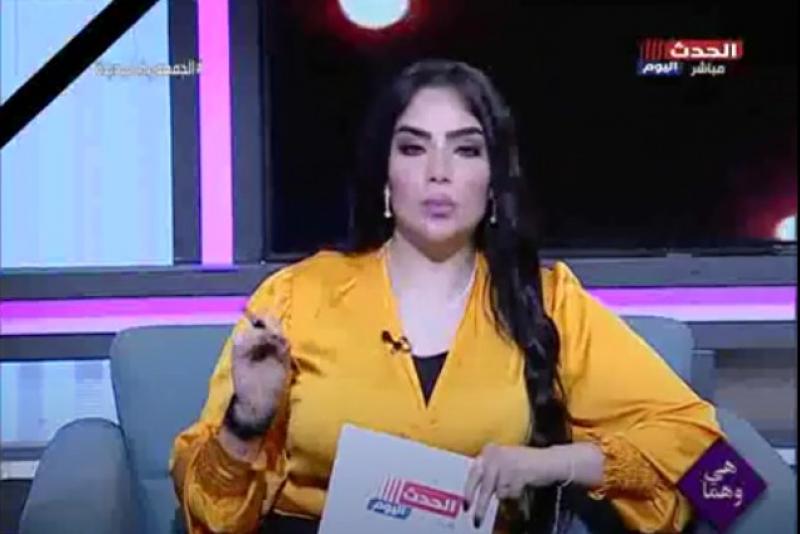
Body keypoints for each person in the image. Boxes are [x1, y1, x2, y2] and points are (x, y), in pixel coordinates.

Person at [170, 59, 724, 534]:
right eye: (414, 149)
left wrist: (554, 463)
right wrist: (247, 420)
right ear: (385, 177)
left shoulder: (548, 302)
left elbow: (716, 469)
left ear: (493, 180)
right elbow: (209, 518)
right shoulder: (296, 297)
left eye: (465, 150)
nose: (438, 173)